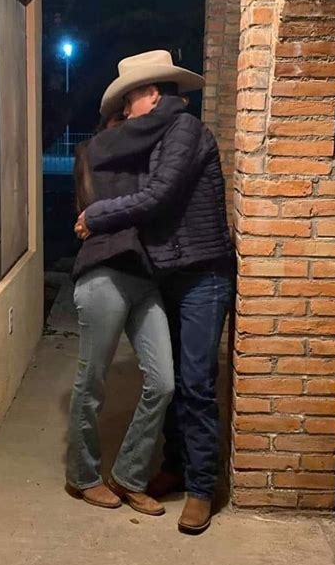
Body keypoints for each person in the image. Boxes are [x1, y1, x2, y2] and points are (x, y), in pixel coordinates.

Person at [75, 50, 235, 535]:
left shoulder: (184, 131)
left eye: (131, 99)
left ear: (154, 94)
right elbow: (107, 162)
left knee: (194, 383)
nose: (127, 111)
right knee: (170, 380)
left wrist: (97, 216)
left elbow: (159, 195)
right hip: (167, 273)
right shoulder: (156, 135)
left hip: (203, 273)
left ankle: (202, 488)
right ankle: (175, 467)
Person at [65, 110, 178, 516]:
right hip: (103, 274)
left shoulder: (149, 163)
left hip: (143, 278)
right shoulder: (97, 153)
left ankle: (129, 475)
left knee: (163, 381)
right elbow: (131, 209)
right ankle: (82, 475)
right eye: (125, 124)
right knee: (92, 379)